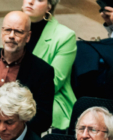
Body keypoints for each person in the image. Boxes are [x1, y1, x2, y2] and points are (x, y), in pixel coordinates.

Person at [21, 0, 77, 131]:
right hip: (12, 95)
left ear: (49, 7)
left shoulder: (65, 36)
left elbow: (53, 82)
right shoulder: (14, 28)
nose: (31, 2)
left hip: (49, 100)